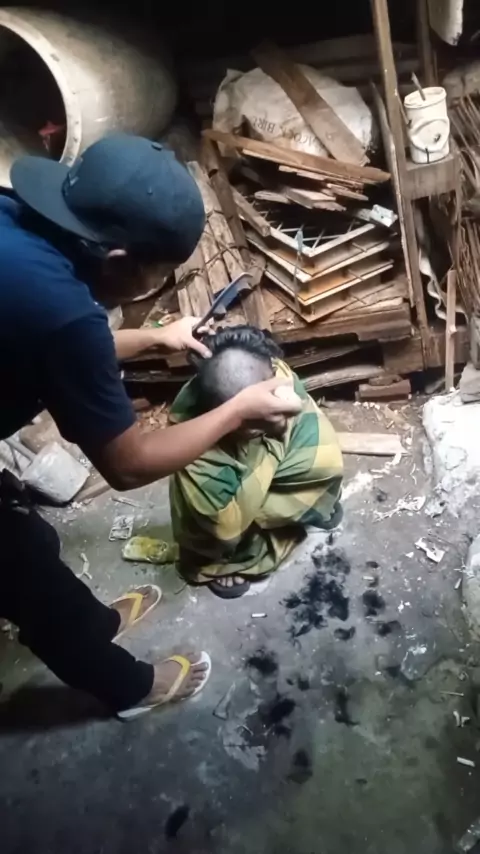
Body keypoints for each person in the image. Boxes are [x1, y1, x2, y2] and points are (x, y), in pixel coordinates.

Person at [0, 135, 301, 718]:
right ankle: (129, 689)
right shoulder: (62, 313)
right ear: (118, 261)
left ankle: (95, 621)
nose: (160, 285)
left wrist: (154, 337)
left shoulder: (17, 223)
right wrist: (236, 410)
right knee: (25, 573)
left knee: (32, 540)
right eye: (160, 275)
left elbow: (48, 335)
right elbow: (128, 465)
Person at [169, 325, 344, 599]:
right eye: (252, 417)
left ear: (271, 372)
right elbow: (225, 528)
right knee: (213, 534)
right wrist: (272, 441)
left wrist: (276, 428)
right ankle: (238, 556)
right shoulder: (193, 448)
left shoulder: (277, 376)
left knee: (322, 463)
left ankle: (314, 500)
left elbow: (296, 416)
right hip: (238, 498)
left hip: (282, 465)